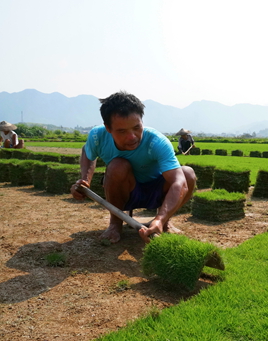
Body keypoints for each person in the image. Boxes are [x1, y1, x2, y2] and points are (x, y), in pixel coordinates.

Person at [70, 91, 196, 244]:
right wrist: (85, 180)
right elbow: (87, 152)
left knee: (187, 174)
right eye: (122, 131)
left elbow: (179, 182)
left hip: (156, 192)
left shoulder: (157, 141)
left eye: (136, 127)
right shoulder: (98, 136)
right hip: (126, 192)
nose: (132, 137)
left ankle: (163, 222)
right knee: (117, 165)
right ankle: (115, 225)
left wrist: (160, 219)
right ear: (108, 128)